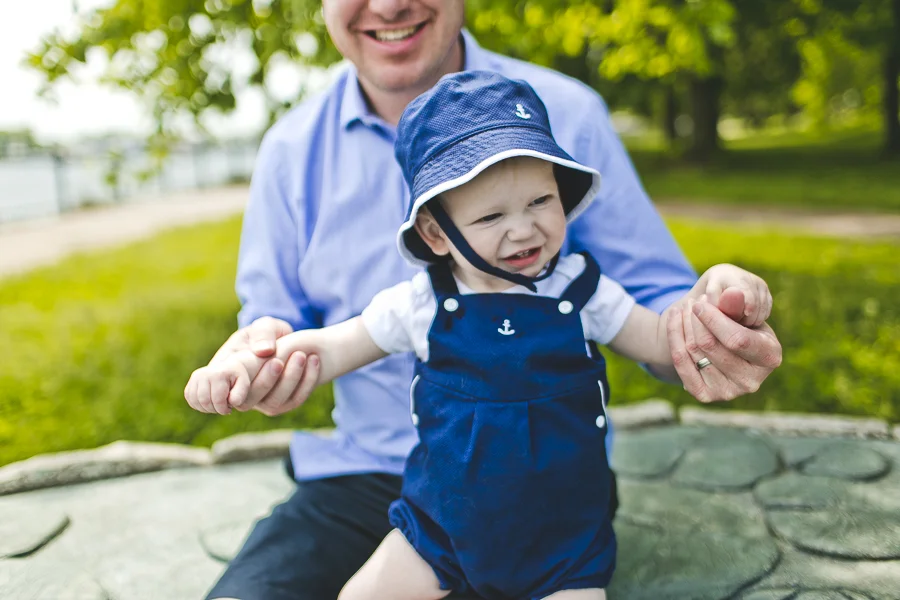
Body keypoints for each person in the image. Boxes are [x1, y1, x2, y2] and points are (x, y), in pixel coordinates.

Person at [193, 2, 782, 598]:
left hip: (556, 494)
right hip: (387, 489)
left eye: (540, 203)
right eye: (492, 214)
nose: (523, 232)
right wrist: (256, 360)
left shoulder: (567, 121)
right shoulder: (293, 153)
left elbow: (661, 319)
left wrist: (711, 314)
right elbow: (305, 338)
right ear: (435, 235)